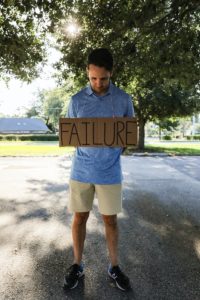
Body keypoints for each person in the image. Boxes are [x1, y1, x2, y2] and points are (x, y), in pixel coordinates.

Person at [63, 48, 134, 291]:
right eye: (93, 78)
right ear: (87, 73)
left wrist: (111, 153)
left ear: (111, 73)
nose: (98, 83)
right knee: (79, 217)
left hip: (110, 172)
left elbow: (127, 136)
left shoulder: (124, 100)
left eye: (103, 78)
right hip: (81, 171)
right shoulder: (76, 101)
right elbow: (72, 135)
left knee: (110, 220)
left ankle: (114, 267)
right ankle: (77, 265)